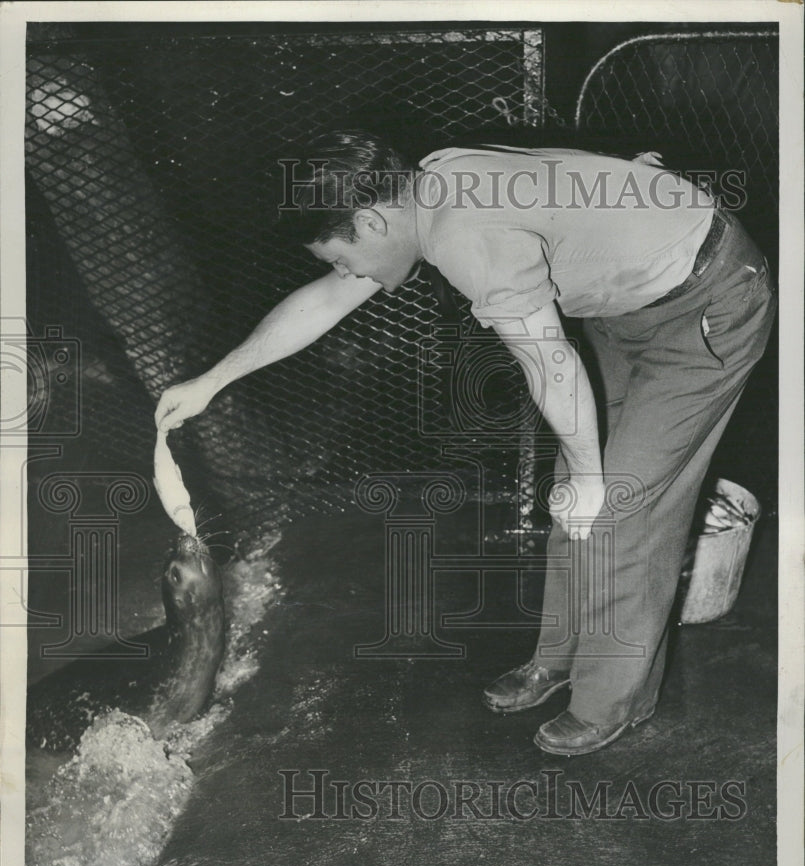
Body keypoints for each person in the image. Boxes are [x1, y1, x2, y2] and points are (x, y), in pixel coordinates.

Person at [155, 130, 776, 755]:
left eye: (342, 257)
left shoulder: (466, 237)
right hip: (626, 305)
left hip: (705, 304)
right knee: (574, 498)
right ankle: (558, 659)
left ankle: (613, 699)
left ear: (371, 221)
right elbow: (324, 302)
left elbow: (551, 364)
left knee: (616, 503)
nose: (346, 274)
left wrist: (592, 477)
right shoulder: (423, 189)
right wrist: (213, 380)